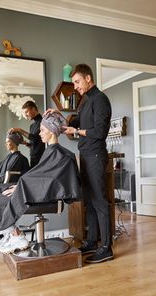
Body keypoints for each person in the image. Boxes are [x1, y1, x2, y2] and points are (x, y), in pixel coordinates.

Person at [0, 111, 81, 254]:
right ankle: (13, 234)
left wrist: (20, 187)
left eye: (42, 130)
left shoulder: (61, 155)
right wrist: (19, 185)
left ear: (52, 131)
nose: (39, 134)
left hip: (44, 195)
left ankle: (13, 235)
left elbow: (51, 181)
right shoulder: (51, 151)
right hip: (35, 189)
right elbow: (40, 176)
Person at [62, 63, 113, 264]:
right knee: (90, 202)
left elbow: (99, 132)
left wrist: (76, 132)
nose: (75, 86)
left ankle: (106, 248)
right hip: (84, 155)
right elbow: (75, 123)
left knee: (100, 202)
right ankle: (92, 241)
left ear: (88, 78)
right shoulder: (85, 102)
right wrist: (58, 119)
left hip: (95, 156)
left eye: (77, 82)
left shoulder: (100, 99)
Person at [8, 101, 45, 168]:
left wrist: (19, 130)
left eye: (26, 112)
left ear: (33, 109)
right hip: (33, 158)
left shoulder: (43, 122)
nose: (26, 115)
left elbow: (34, 138)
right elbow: (35, 143)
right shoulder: (32, 126)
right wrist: (27, 144)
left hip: (41, 158)